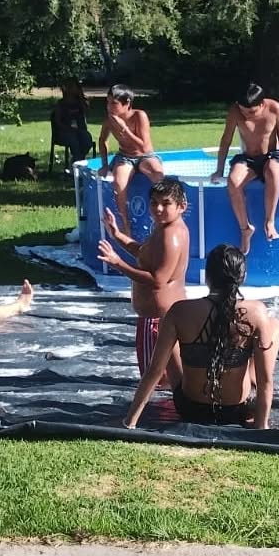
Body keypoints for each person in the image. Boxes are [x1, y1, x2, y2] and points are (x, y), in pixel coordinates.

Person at [123, 244, 279, 430]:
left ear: (207, 277)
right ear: (243, 277)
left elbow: (154, 371)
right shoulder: (256, 311)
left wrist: (130, 421)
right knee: (274, 325)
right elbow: (266, 380)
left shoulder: (179, 311)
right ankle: (248, 385)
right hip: (237, 411)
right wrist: (261, 428)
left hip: (190, 408)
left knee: (171, 333)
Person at [97, 178, 190, 377]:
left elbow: (158, 280)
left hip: (157, 319)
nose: (158, 209)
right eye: (154, 203)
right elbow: (144, 253)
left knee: (156, 381)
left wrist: (117, 263)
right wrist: (117, 235)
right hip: (164, 316)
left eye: (166, 203)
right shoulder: (165, 228)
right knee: (169, 379)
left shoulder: (170, 235)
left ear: (182, 206)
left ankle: (164, 409)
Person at [209, 82, 279, 254]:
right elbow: (226, 140)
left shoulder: (274, 108)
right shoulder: (235, 112)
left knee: (272, 171)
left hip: (271, 156)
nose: (248, 116)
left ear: (262, 104)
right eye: (244, 112)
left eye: (252, 112)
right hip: (248, 158)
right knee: (233, 181)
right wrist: (219, 169)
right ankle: (245, 228)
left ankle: (269, 222)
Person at [97, 85, 164, 231]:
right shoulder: (109, 120)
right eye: (107, 103)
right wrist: (104, 164)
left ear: (127, 103)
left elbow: (143, 147)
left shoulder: (139, 116)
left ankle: (163, 219)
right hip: (125, 157)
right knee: (119, 183)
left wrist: (124, 129)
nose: (109, 107)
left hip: (145, 155)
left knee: (159, 177)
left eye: (113, 104)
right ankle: (125, 224)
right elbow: (102, 140)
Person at [52, 76, 94, 163]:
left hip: (80, 131)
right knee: (74, 141)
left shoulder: (81, 102)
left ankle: (77, 160)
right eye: (71, 87)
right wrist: (68, 129)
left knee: (87, 139)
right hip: (65, 133)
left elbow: (86, 110)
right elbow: (58, 121)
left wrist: (80, 96)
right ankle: (78, 163)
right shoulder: (61, 104)